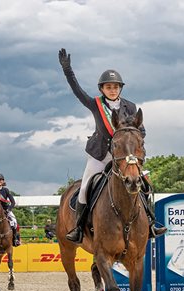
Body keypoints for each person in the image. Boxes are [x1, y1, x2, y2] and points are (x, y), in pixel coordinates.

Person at [58, 48, 167, 243]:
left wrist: (138, 141)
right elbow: (77, 91)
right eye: (108, 87)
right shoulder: (95, 104)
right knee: (84, 188)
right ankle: (78, 229)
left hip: (124, 155)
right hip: (100, 155)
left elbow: (140, 129)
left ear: (120, 88)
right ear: (102, 89)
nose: (112, 90)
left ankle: (150, 223)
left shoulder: (130, 106)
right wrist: (68, 71)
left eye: (116, 87)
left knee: (142, 185)